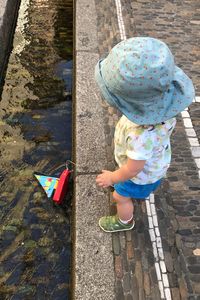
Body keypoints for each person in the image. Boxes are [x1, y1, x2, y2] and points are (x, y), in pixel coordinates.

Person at [95, 37, 195, 233]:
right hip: (157, 162)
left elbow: (133, 169)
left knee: (119, 197)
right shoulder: (165, 110)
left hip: (141, 176)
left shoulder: (140, 136)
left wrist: (113, 178)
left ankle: (125, 221)